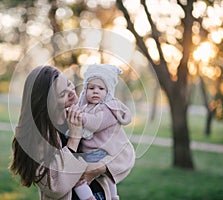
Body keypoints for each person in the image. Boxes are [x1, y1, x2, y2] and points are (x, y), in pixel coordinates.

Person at [9, 65, 135, 200]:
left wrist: (102, 167)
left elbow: (126, 153)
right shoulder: (38, 136)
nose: (72, 92)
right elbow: (55, 186)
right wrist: (74, 138)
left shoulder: (83, 114)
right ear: (46, 103)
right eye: (63, 94)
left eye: (69, 84)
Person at [71, 64, 133, 200]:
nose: (95, 91)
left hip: (100, 153)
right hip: (91, 153)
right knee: (95, 180)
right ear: (85, 90)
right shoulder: (87, 107)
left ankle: (104, 197)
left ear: (108, 92)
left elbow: (95, 124)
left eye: (101, 88)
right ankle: (102, 197)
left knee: (81, 179)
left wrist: (79, 116)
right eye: (91, 88)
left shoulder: (109, 108)